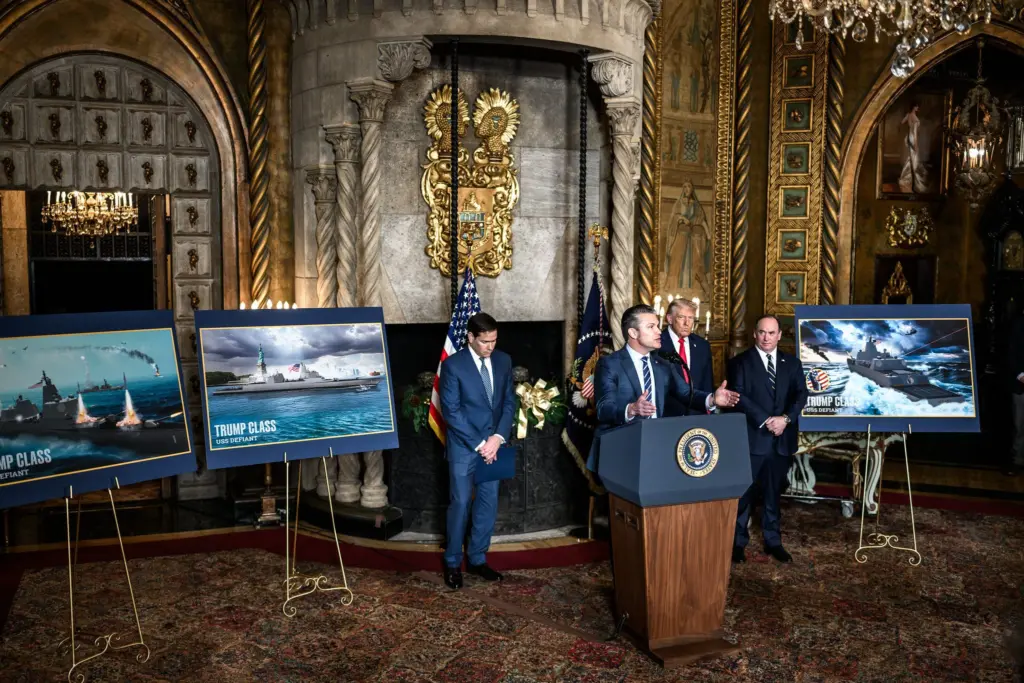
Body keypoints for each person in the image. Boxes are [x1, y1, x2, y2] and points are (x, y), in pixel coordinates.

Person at [586, 304, 739, 472]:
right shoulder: (610, 364)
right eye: (651, 327)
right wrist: (631, 409)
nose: (659, 331)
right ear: (633, 333)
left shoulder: (663, 363)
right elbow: (603, 409)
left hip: (656, 447)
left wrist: (712, 399)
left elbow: (685, 393)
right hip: (620, 448)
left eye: (657, 326)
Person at [438, 312, 515, 590]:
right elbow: (452, 411)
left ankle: (478, 559)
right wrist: (481, 444)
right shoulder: (453, 366)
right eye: (484, 342)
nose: (490, 347)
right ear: (471, 338)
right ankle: (451, 563)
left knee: (488, 502)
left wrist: (497, 438)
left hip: (494, 445)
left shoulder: (504, 360)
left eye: (494, 340)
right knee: (460, 504)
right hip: (465, 447)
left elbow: (508, 402)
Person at [728, 314, 807, 564]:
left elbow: (801, 395)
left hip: (781, 440)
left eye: (771, 333)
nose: (766, 337)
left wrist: (785, 419)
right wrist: (767, 420)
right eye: (762, 332)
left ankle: (773, 541)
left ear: (779, 335)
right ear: (754, 333)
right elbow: (739, 396)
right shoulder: (740, 362)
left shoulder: (792, 363)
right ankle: (737, 543)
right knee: (744, 495)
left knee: (774, 494)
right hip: (753, 439)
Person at [661, 298, 714, 416]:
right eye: (681, 317)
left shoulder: (702, 345)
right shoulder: (657, 344)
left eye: (690, 318)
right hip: (668, 415)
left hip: (697, 413)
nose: (687, 323)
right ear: (670, 318)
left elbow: (707, 383)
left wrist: (710, 412)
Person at [1008, 314, 1024, 475]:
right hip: (1021, 384)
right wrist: (1021, 375)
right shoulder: (1019, 323)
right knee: (1020, 426)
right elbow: (1012, 352)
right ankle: (1018, 461)